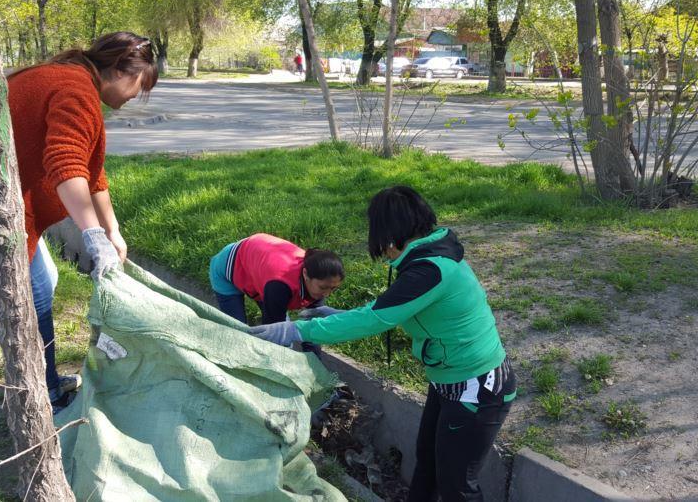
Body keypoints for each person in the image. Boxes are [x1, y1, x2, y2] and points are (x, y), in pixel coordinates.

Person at [0, 31, 158, 411]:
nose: (136, 96)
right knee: (33, 294)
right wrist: (93, 235)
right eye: (140, 85)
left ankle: (42, 377)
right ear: (118, 70)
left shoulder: (72, 78)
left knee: (43, 283)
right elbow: (66, 166)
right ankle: (41, 393)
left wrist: (112, 230)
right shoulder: (74, 89)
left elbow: (91, 172)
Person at [250, 186, 515, 500]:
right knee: (428, 464)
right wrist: (342, 315)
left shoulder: (430, 270)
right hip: (450, 381)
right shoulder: (429, 255)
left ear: (390, 235)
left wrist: (294, 331)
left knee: (456, 483)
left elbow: (376, 318)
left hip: (477, 386)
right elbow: (390, 312)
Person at [209, 233, 343, 328]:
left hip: (257, 265)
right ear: (305, 274)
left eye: (333, 289)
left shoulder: (320, 277)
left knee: (283, 330)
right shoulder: (279, 286)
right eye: (323, 288)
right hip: (228, 266)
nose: (327, 294)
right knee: (238, 330)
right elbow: (273, 332)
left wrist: (315, 362)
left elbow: (313, 329)